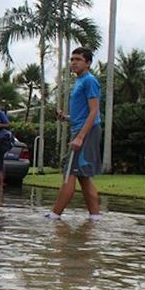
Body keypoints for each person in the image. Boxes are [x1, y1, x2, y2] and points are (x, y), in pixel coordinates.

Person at [46, 47, 102, 221]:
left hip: (86, 132)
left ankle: (55, 215)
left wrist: (80, 137)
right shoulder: (79, 81)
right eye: (72, 59)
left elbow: (94, 111)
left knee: (69, 172)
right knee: (83, 177)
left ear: (88, 63)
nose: (74, 62)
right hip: (79, 128)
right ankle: (95, 218)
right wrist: (67, 117)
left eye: (78, 59)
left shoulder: (89, 81)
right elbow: (83, 113)